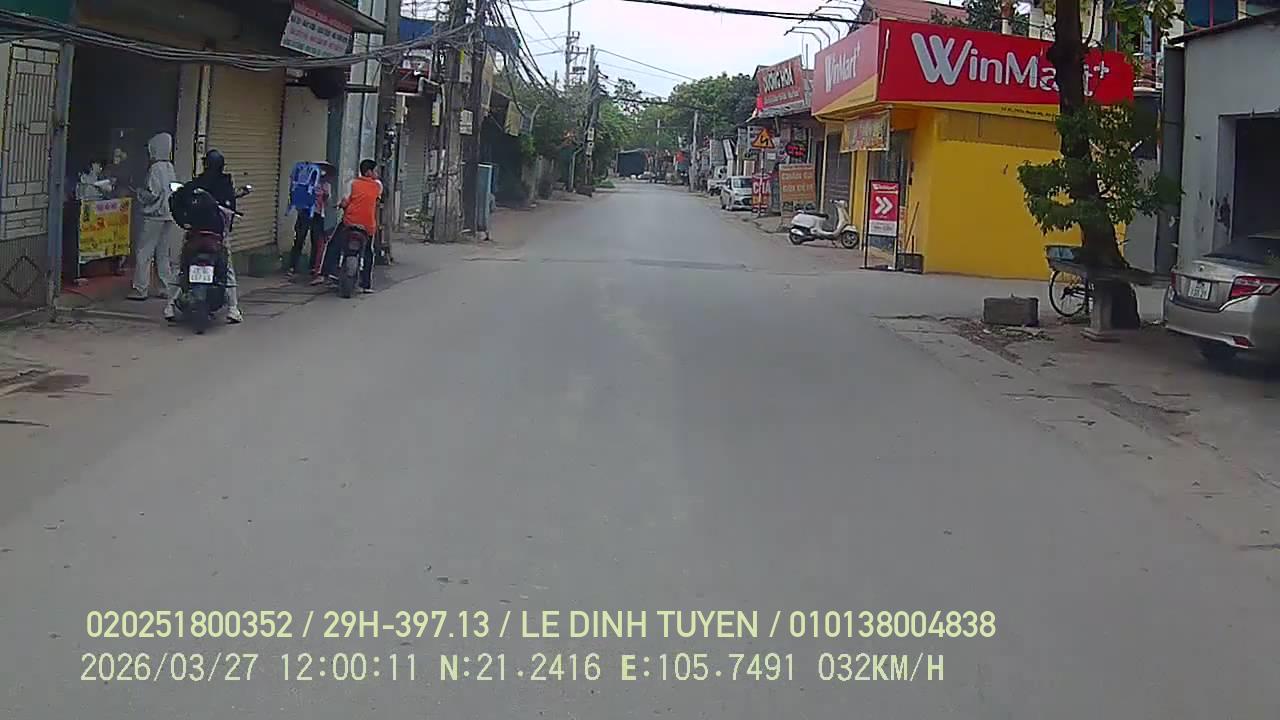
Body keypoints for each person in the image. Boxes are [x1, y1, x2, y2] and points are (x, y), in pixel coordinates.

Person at [128, 133, 180, 318]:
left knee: (144, 251)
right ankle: (165, 286)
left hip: (154, 215)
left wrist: (138, 192)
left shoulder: (155, 168)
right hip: (168, 214)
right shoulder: (169, 167)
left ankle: (140, 288)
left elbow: (153, 193)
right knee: (162, 253)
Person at [187, 150, 243, 323]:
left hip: (198, 232)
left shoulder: (200, 181)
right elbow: (231, 209)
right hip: (217, 233)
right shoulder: (225, 183)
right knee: (227, 268)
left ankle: (170, 305)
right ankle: (233, 308)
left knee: (183, 262)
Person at [322, 159, 382, 293]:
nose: (376, 174)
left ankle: (328, 272)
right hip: (368, 226)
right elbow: (377, 201)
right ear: (369, 172)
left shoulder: (352, 183)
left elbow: (345, 203)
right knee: (368, 252)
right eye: (375, 171)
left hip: (349, 223)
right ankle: (366, 284)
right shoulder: (378, 185)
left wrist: (341, 205)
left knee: (334, 245)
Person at [284, 161, 333, 283]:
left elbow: (326, 201)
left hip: (317, 215)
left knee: (315, 241)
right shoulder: (308, 181)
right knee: (300, 239)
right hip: (306, 213)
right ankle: (293, 266)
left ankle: (311, 267)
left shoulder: (325, 184)